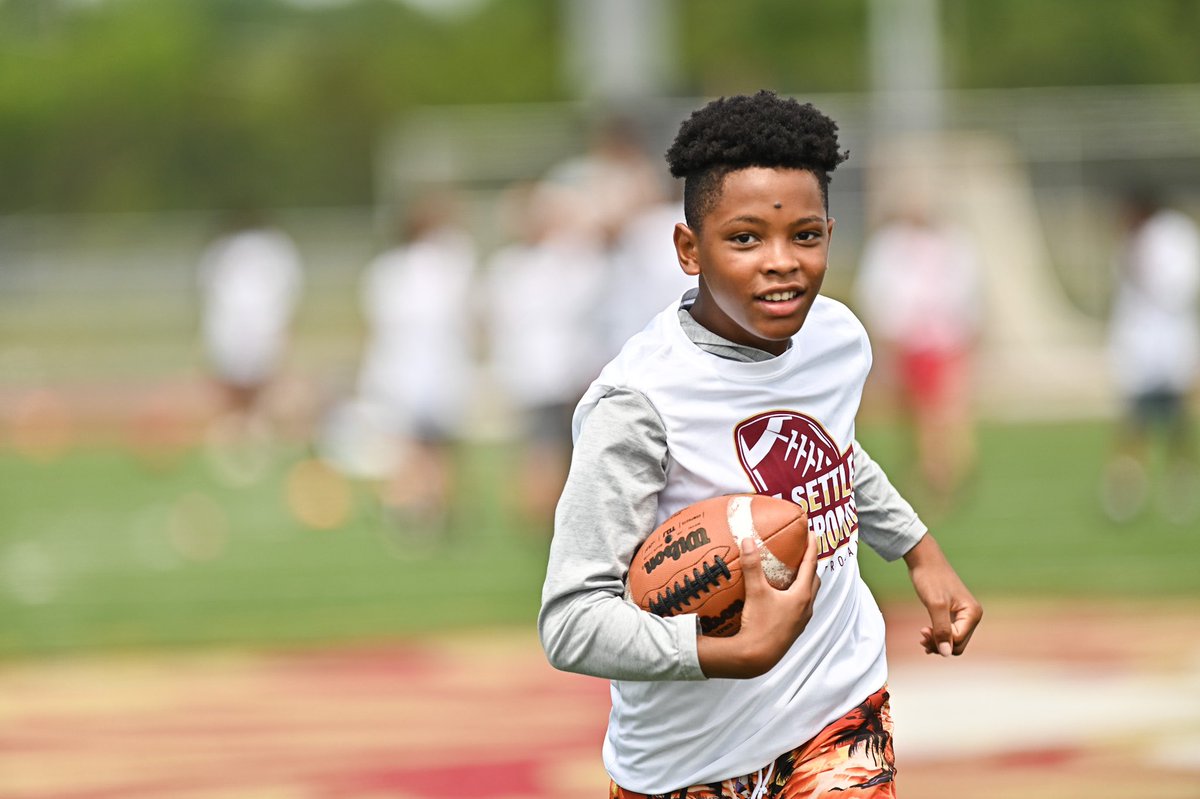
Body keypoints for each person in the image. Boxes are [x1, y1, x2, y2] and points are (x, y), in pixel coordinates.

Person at [539, 91, 982, 798]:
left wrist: (919, 551)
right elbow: (570, 621)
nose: (782, 262)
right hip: (683, 763)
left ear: (831, 235)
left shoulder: (838, 338)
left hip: (840, 707)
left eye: (804, 235)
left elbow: (837, 452)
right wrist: (727, 651)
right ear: (690, 249)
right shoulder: (638, 404)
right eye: (744, 238)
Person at [486, 180, 609, 532]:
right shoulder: (556, 261)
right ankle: (547, 516)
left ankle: (543, 514)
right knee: (551, 449)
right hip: (556, 370)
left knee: (541, 448)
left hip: (532, 370)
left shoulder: (508, 266)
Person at [351, 194, 478, 535]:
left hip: (414, 368)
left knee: (414, 449)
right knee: (430, 449)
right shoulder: (445, 263)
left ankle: (420, 511)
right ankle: (427, 510)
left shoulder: (391, 270)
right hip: (424, 367)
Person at [853, 202, 984, 514]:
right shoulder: (890, 244)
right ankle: (934, 471)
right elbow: (877, 292)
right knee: (915, 415)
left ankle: (940, 474)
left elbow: (967, 292)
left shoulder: (954, 242)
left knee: (939, 413)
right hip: (908, 341)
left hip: (942, 339)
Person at [1101, 187, 1200, 524]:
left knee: (1177, 426)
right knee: (1134, 423)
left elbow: (1179, 287)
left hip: (1170, 347)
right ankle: (1126, 490)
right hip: (1139, 350)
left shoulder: (1175, 235)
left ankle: (1180, 485)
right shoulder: (1130, 243)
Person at [196, 207, 303, 483]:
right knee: (257, 395)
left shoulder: (225, 250)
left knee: (240, 397)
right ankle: (251, 448)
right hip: (256, 329)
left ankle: (243, 449)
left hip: (235, 330)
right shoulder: (274, 250)